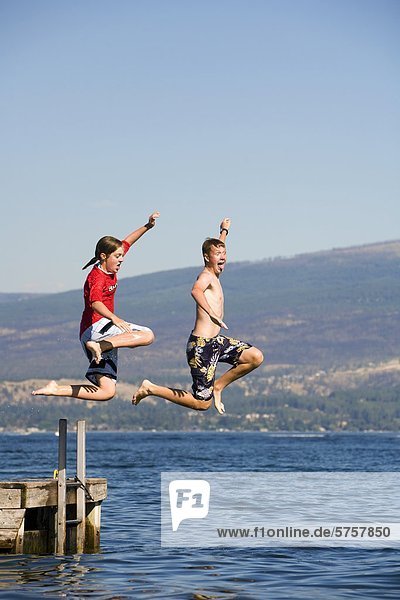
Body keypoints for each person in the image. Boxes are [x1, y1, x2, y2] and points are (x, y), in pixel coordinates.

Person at [132, 218, 263, 414]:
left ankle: (218, 387)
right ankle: (151, 388)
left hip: (217, 341)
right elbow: (195, 291)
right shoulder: (205, 276)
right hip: (201, 346)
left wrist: (224, 231)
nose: (223, 257)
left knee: (255, 357)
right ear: (206, 258)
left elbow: (217, 250)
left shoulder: (215, 273)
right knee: (202, 403)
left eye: (224, 254)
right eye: (218, 254)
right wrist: (211, 313)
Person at [32, 211, 160, 401]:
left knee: (107, 391)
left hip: (90, 336)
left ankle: (56, 388)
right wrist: (114, 318)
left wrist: (147, 226)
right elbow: (95, 302)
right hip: (97, 328)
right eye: (117, 256)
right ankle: (100, 346)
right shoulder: (97, 277)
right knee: (147, 335)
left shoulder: (109, 263)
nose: (121, 259)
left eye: (121, 256)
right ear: (103, 256)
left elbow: (128, 241)